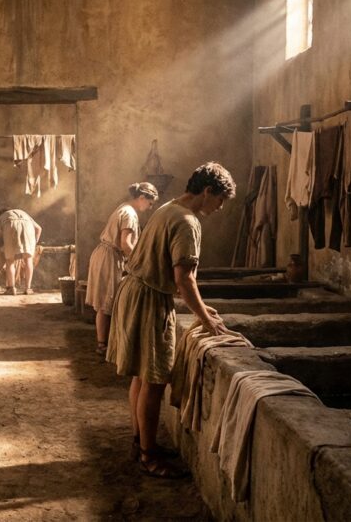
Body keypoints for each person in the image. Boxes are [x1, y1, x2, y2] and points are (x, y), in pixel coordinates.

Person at [107, 162, 235, 478]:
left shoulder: (168, 208)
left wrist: (202, 308)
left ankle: (140, 441)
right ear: (208, 191)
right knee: (154, 381)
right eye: (220, 200)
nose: (220, 208)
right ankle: (149, 456)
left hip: (133, 289)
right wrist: (206, 318)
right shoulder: (188, 221)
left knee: (141, 376)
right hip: (149, 298)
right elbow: (184, 279)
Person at [87, 182, 159, 355]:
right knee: (107, 302)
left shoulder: (123, 208)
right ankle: (103, 345)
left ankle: (104, 343)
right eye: (150, 203)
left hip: (104, 254)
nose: (149, 208)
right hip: (109, 257)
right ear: (141, 198)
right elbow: (126, 243)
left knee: (105, 303)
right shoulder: (130, 213)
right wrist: (140, 262)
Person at [0, 208, 43, 295]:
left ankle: (11, 288)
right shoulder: (23, 213)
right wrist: (33, 244)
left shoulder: (1, 218)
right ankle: (28, 288)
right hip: (28, 228)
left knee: (10, 260)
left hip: (11, 226)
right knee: (28, 259)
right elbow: (39, 229)